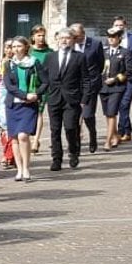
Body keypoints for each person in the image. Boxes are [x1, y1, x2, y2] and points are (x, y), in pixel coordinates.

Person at [39, 28, 85, 171]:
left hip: (72, 98)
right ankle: (56, 159)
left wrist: (84, 98)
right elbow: (44, 78)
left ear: (73, 40)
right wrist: (41, 92)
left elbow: (85, 79)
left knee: (71, 127)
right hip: (54, 98)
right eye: (61, 38)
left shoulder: (79, 57)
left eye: (67, 38)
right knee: (55, 130)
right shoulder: (50, 57)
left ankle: (73, 151)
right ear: (57, 40)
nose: (64, 40)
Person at [2, 37, 41, 182]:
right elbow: (9, 86)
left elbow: (45, 81)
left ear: (26, 47)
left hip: (29, 105)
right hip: (13, 104)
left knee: (23, 136)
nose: (16, 49)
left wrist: (37, 94)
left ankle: (26, 168)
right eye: (13, 46)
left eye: (19, 46)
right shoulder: (8, 64)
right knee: (14, 138)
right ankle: (19, 169)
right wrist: (25, 95)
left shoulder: (34, 62)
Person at [99, 26, 132, 149]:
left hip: (117, 87)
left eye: (113, 37)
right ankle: (115, 135)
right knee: (107, 114)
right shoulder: (103, 52)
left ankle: (108, 140)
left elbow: (130, 71)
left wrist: (115, 79)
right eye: (109, 37)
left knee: (112, 113)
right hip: (103, 87)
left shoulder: (124, 52)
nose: (111, 39)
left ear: (118, 38)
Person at [70, 23, 105, 153]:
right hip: (74, 84)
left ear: (83, 34)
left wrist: (93, 80)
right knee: (74, 115)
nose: (75, 39)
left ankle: (93, 135)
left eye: (77, 36)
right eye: (73, 36)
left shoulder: (95, 44)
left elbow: (100, 65)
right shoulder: (70, 45)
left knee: (88, 114)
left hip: (91, 84)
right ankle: (77, 142)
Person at [27, 25, 51, 153]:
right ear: (33, 37)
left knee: (40, 112)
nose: (41, 38)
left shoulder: (49, 52)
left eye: (43, 35)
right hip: (29, 85)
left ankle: (36, 140)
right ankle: (31, 137)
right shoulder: (29, 51)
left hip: (43, 85)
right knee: (31, 112)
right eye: (38, 35)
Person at [0, 42, 16, 171]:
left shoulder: (19, 64)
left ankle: (8, 156)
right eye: (8, 47)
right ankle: (8, 154)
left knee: (12, 127)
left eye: (12, 47)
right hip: (1, 98)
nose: (10, 50)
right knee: (4, 127)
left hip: (14, 96)